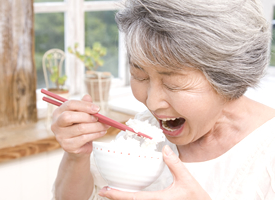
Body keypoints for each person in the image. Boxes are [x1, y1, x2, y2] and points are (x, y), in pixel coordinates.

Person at [52, 0, 275, 199]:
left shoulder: (268, 151)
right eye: (140, 76)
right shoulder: (145, 133)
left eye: (173, 84)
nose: (152, 102)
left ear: (229, 77)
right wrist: (76, 156)